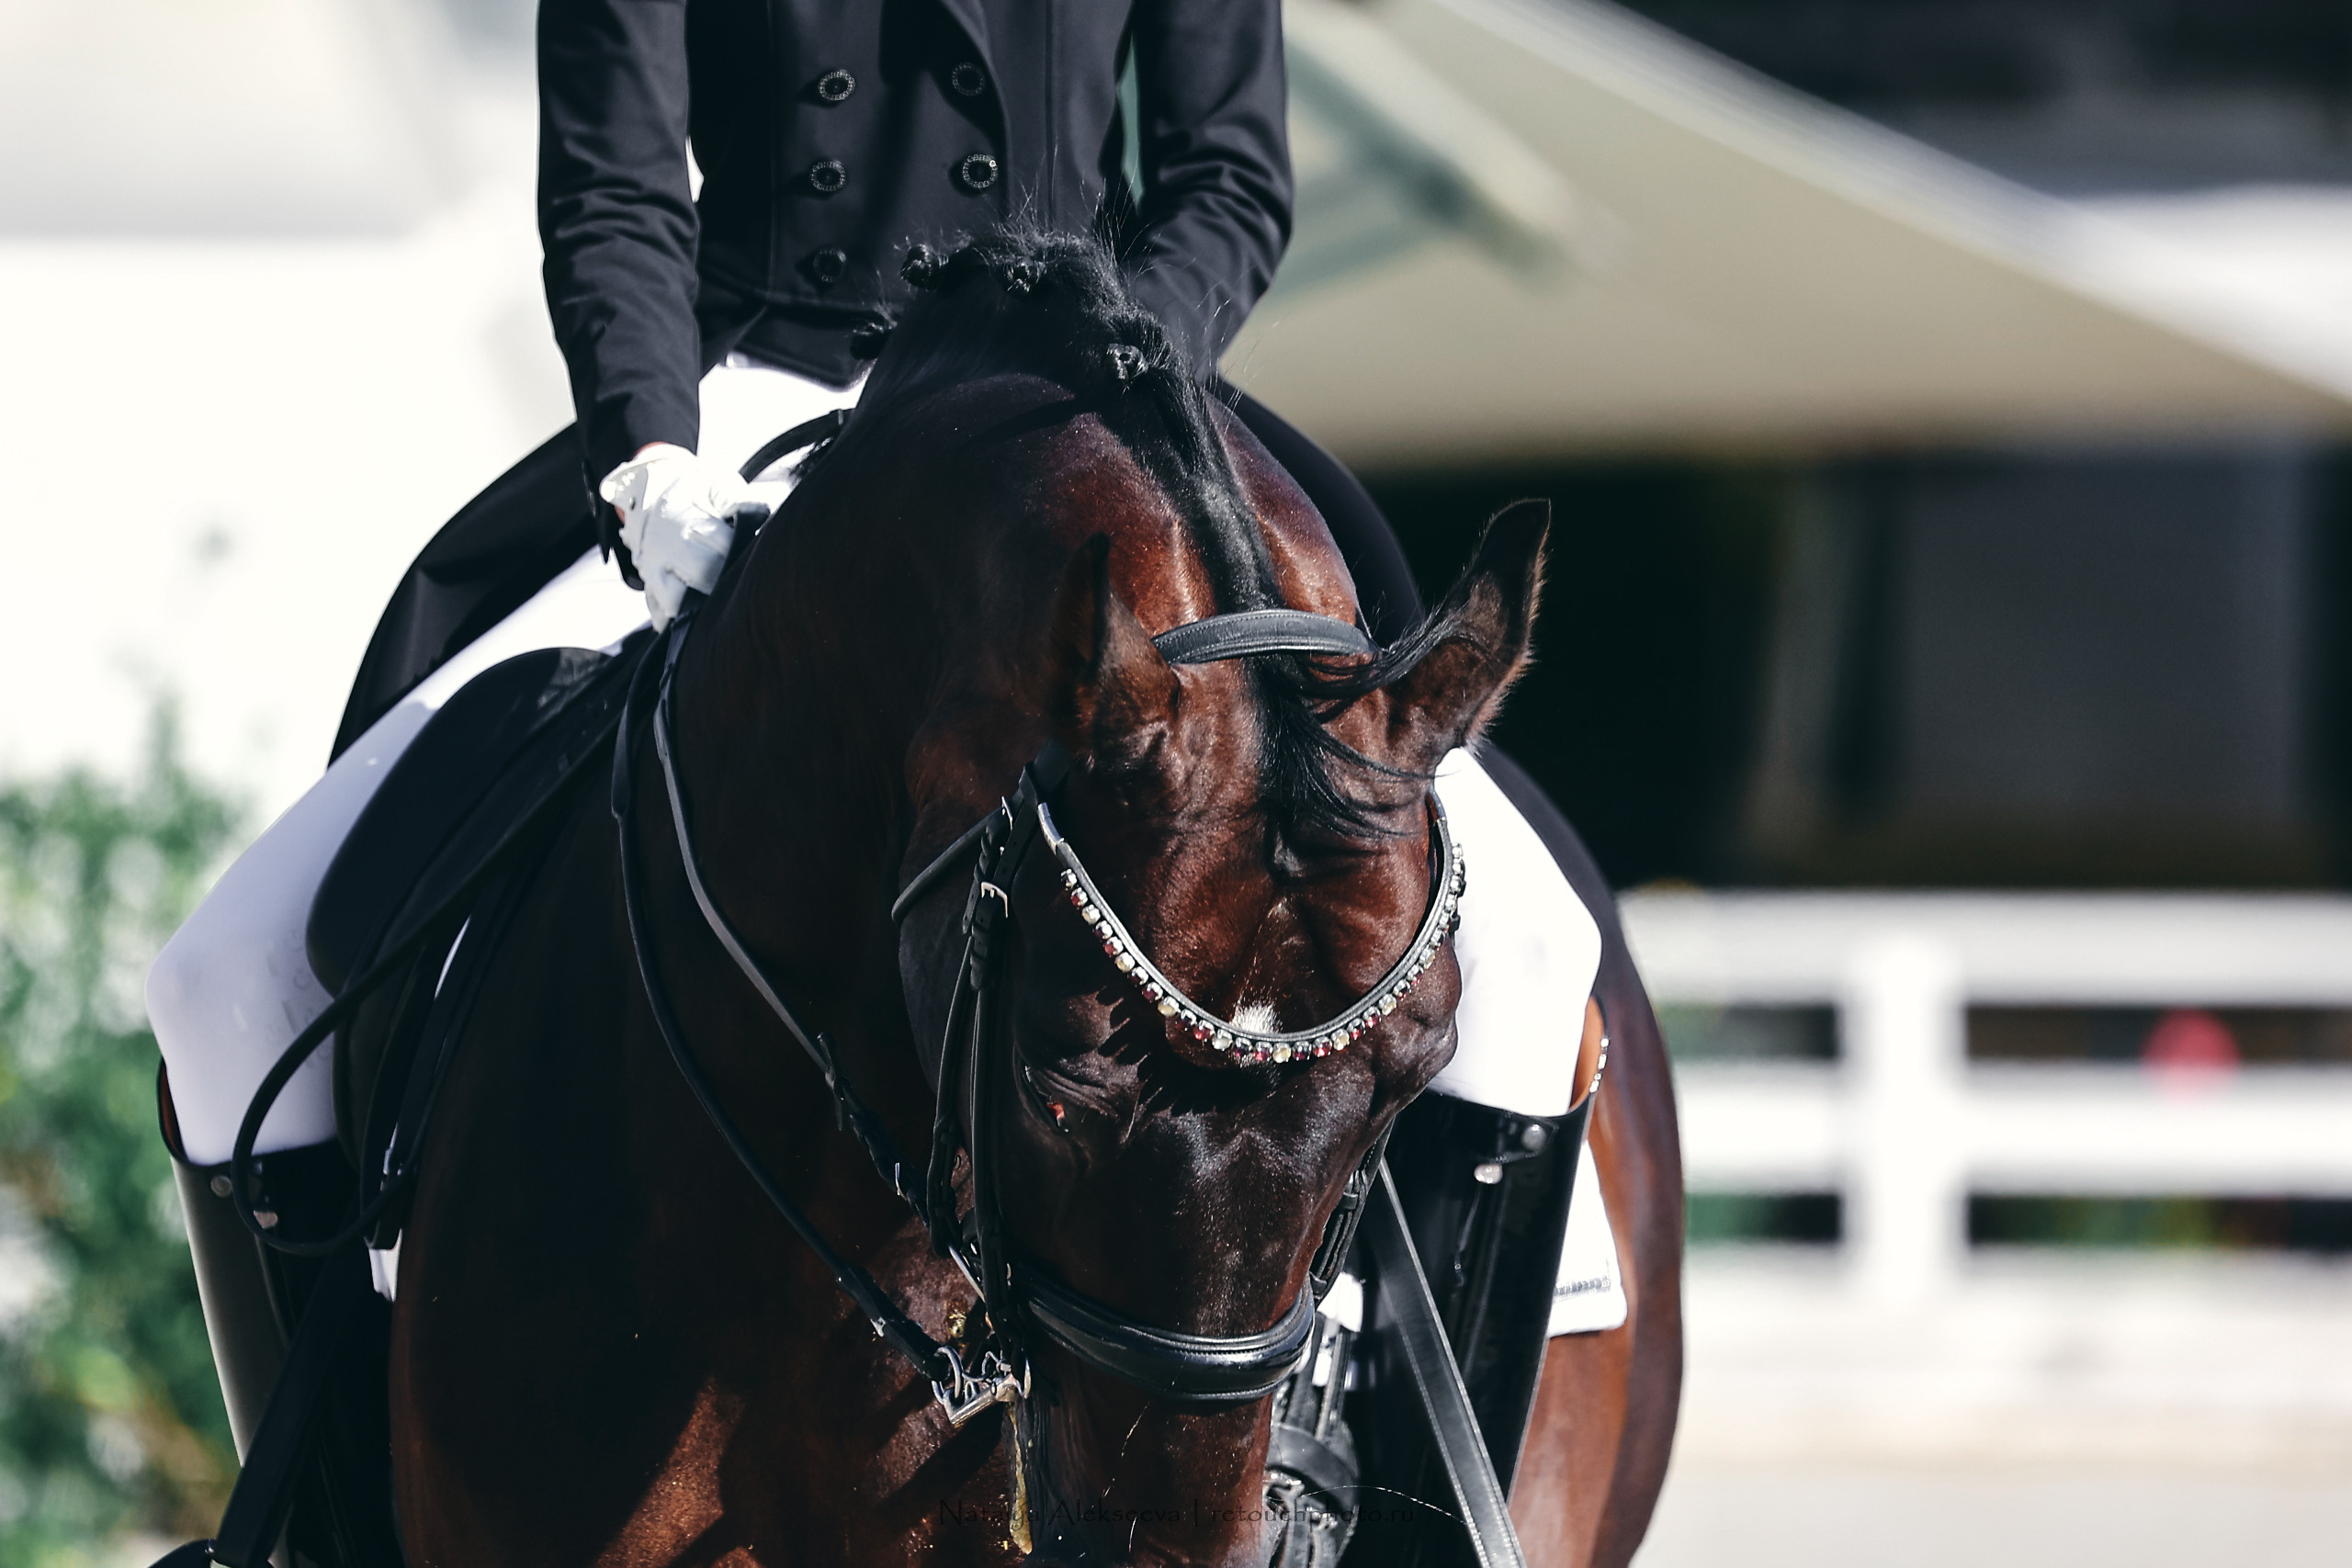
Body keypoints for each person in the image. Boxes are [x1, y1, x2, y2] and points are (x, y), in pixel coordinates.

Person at [147, 0, 1615, 1340]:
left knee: (1535, 957)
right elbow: (615, 183)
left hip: (1085, 408)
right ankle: (310, 1521)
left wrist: (1096, 383)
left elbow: (1227, 178)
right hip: (737, 417)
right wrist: (652, 459)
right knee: (230, 982)